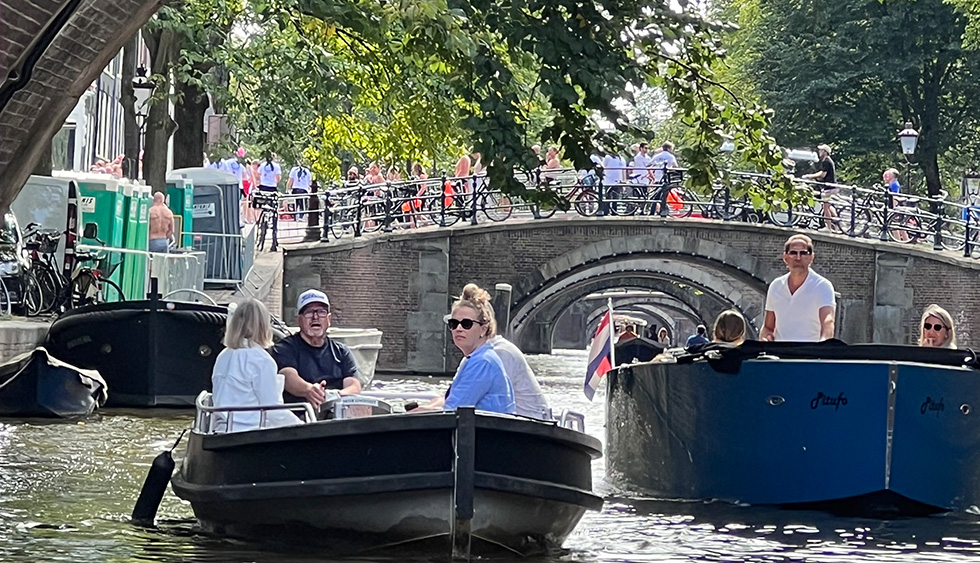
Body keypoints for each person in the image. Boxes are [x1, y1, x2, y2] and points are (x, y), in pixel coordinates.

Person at [417, 284, 516, 414]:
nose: (459, 328)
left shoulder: (482, 362)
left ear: (483, 329)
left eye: (466, 324)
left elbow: (453, 411)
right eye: (454, 323)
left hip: (487, 433)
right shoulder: (475, 358)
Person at [211, 299, 302, 433]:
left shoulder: (223, 356)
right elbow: (273, 410)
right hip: (251, 433)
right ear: (263, 325)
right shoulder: (262, 360)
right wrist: (302, 425)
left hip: (221, 430)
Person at [269, 289, 362, 408]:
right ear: (299, 319)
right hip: (299, 417)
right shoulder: (285, 348)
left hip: (336, 417)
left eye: (321, 312)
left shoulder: (342, 352)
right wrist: (309, 390)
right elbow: (287, 377)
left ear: (329, 319)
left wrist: (334, 396)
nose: (315, 317)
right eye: (309, 312)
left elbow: (354, 386)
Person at [760, 234, 836, 342]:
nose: (798, 258)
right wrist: (765, 339)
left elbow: (828, 322)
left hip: (809, 354)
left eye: (804, 253)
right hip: (780, 355)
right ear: (785, 257)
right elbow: (768, 327)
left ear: (811, 257)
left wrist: (823, 344)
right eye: (793, 253)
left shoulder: (822, 286)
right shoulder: (775, 286)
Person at [488, 334, 550, 420]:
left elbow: (496, 399)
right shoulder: (481, 354)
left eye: (467, 324)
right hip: (517, 422)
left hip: (530, 424)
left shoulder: (500, 352)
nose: (461, 329)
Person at [802, 144, 839, 231]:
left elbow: (823, 174)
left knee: (825, 207)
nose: (819, 152)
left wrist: (809, 176)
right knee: (829, 206)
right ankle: (838, 224)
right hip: (832, 187)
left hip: (829, 188)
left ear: (825, 152)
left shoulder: (826, 161)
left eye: (821, 150)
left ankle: (828, 228)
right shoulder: (828, 161)